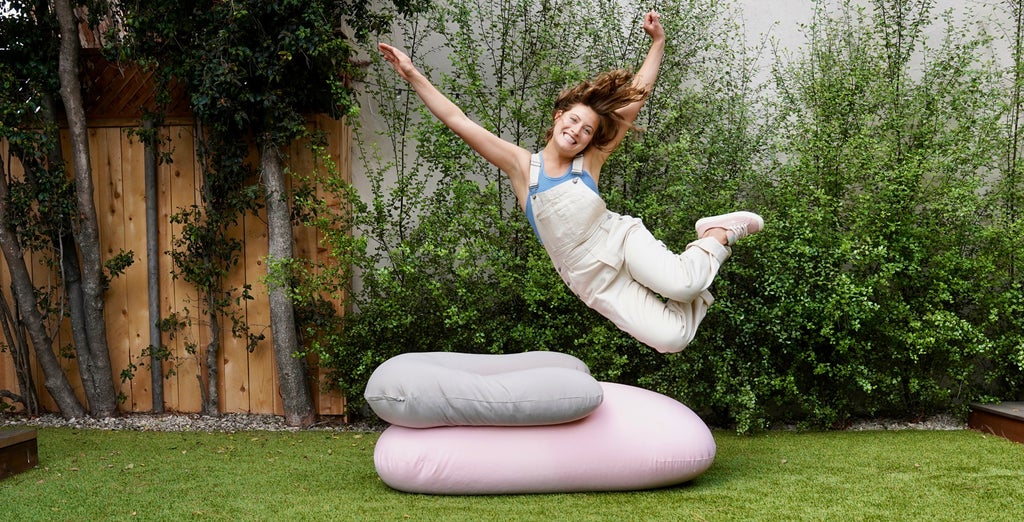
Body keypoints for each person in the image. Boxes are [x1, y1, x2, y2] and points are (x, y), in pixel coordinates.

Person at [378, 10, 763, 353]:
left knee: (681, 285)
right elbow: (459, 120)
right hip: (591, 280)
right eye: (573, 120)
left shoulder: (590, 160)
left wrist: (658, 43)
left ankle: (715, 234)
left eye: (587, 129)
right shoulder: (521, 167)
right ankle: (703, 260)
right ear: (558, 115)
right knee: (672, 339)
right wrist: (413, 74)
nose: (577, 131)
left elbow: (637, 99)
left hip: (618, 241)